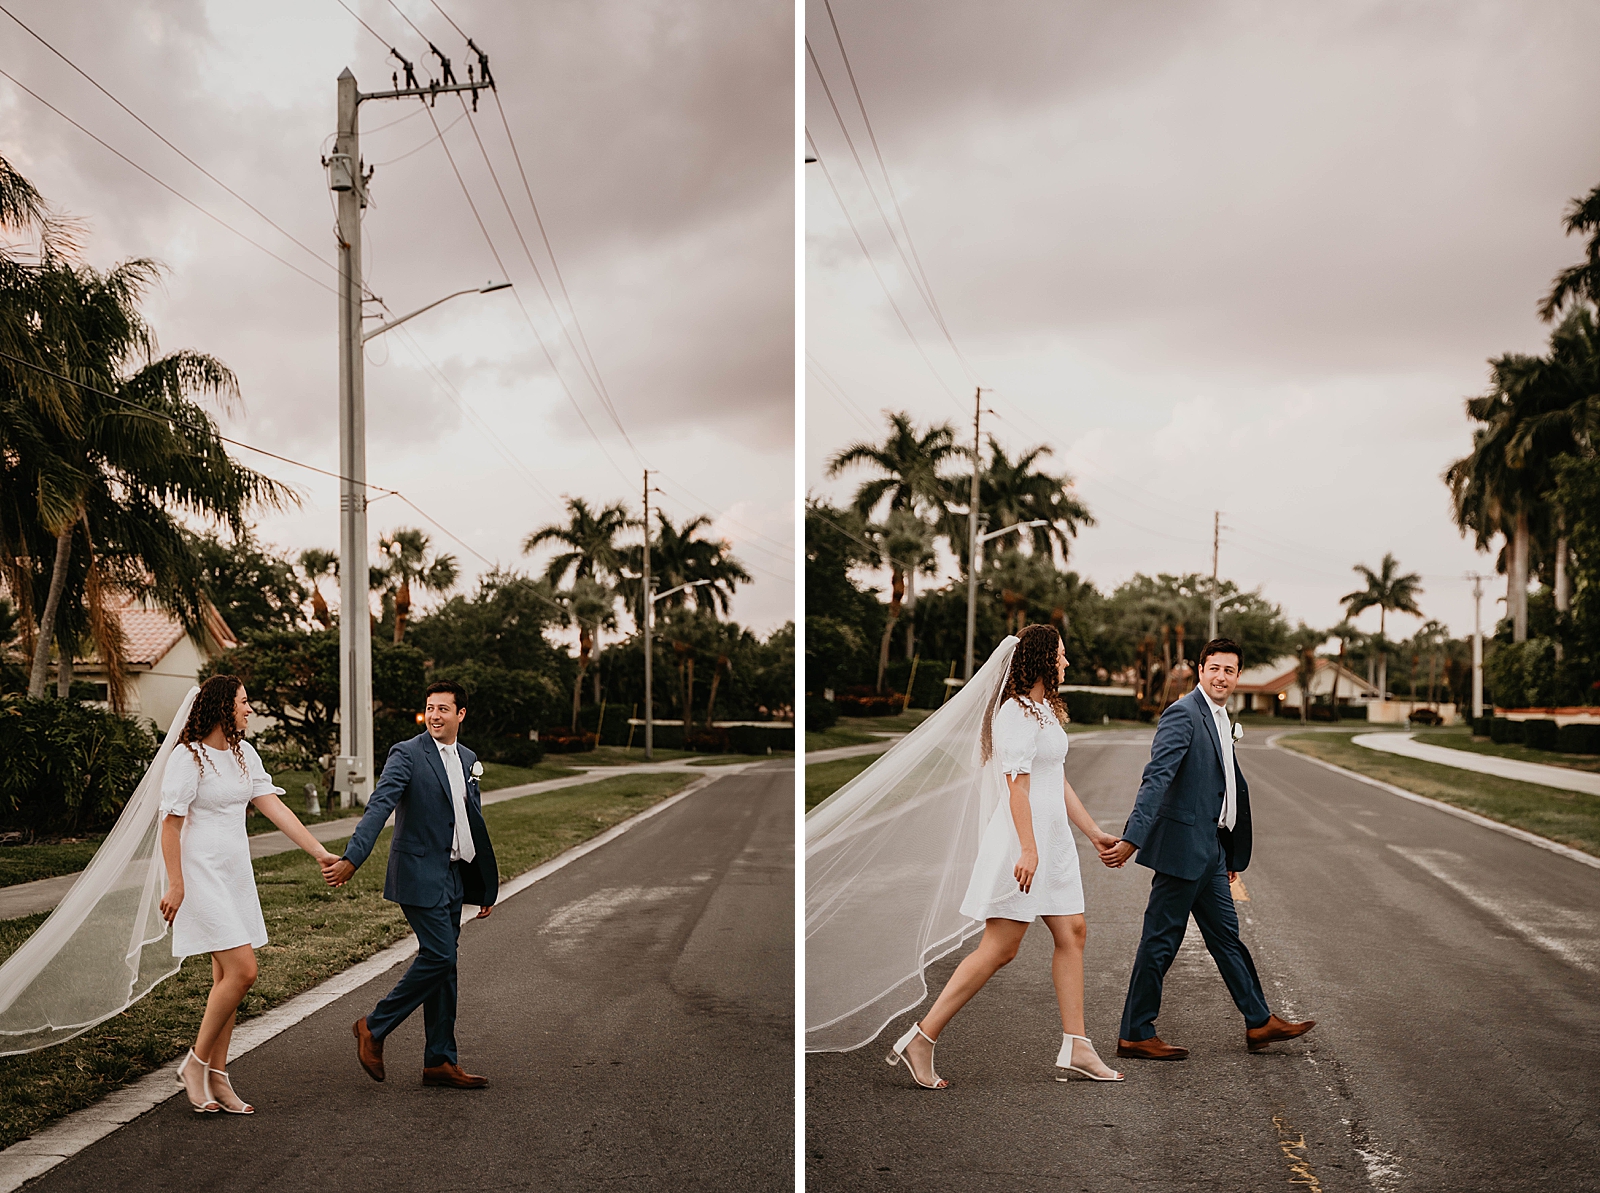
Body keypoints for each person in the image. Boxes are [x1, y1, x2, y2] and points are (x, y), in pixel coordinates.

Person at [884, 624, 1125, 1087]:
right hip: (1023, 840)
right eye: (1060, 654)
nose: (1066, 662)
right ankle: (922, 1037)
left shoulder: (1044, 711)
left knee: (1073, 932)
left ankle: (1077, 1045)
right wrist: (1028, 848)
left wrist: (1092, 832)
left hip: (1054, 842)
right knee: (1001, 948)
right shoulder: (1014, 713)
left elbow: (1056, 778)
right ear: (1039, 659)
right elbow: (1017, 786)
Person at [1102, 637, 1316, 1059]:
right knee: (1161, 941)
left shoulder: (1220, 717)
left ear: (1238, 677)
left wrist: (1229, 850)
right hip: (1182, 849)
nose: (1221, 676)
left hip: (1213, 851)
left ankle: (1259, 1021)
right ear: (1200, 669)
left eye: (1229, 670)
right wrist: (1133, 836)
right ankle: (1135, 1032)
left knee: (1228, 940)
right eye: (1214, 667)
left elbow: (1224, 786)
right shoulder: (1182, 715)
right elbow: (1156, 779)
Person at [158, 674, 341, 1113]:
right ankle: (195, 1064)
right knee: (243, 971)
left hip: (235, 874)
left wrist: (318, 852)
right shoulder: (188, 757)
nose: (250, 709)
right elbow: (170, 823)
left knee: (228, 980)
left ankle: (219, 1078)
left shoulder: (244, 755)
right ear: (224, 706)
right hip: (199, 875)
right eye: (244, 702)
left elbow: (273, 806)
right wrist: (177, 883)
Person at [322, 680, 499, 1089]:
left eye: (443, 709)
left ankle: (439, 1061)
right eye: (429, 708)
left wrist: (484, 886)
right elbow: (379, 806)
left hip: (455, 875)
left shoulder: (469, 758)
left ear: (461, 715)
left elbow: (473, 822)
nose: (434, 715)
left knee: (446, 968)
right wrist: (353, 857)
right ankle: (373, 1026)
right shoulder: (407, 754)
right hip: (418, 874)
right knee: (439, 957)